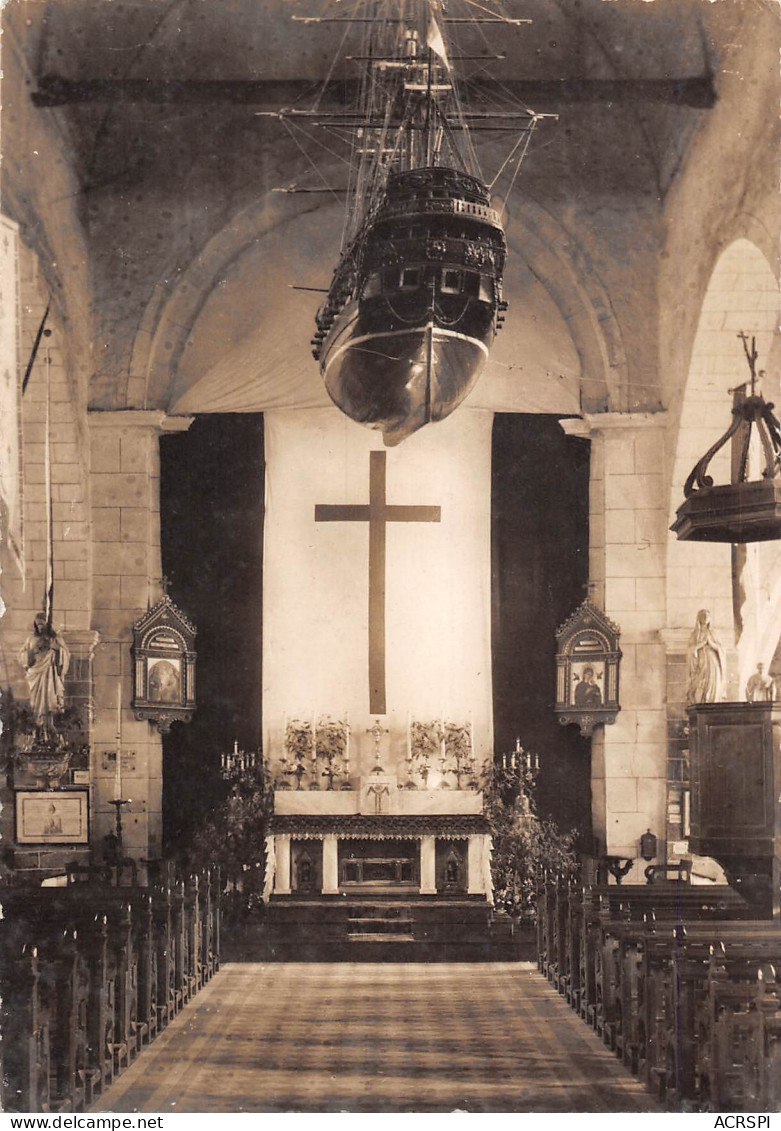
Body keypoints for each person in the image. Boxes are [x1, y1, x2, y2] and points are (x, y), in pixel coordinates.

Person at [18, 612, 71, 736]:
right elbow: (22, 656)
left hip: (49, 675)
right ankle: (37, 729)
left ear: (48, 624)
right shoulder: (31, 639)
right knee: (36, 703)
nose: (40, 627)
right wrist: (33, 652)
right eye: (38, 625)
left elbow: (65, 655)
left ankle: (49, 726)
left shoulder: (55, 638)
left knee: (49, 701)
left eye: (42, 624)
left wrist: (56, 649)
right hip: (35, 676)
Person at [685, 609, 726, 704]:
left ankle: (712, 700)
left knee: (712, 682)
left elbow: (721, 649)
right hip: (700, 662)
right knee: (699, 683)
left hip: (712, 662)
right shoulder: (695, 635)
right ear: (699, 618)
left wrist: (711, 644)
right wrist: (701, 644)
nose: (705, 618)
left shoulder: (713, 633)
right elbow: (690, 649)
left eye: (707, 616)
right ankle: (699, 701)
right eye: (703, 616)